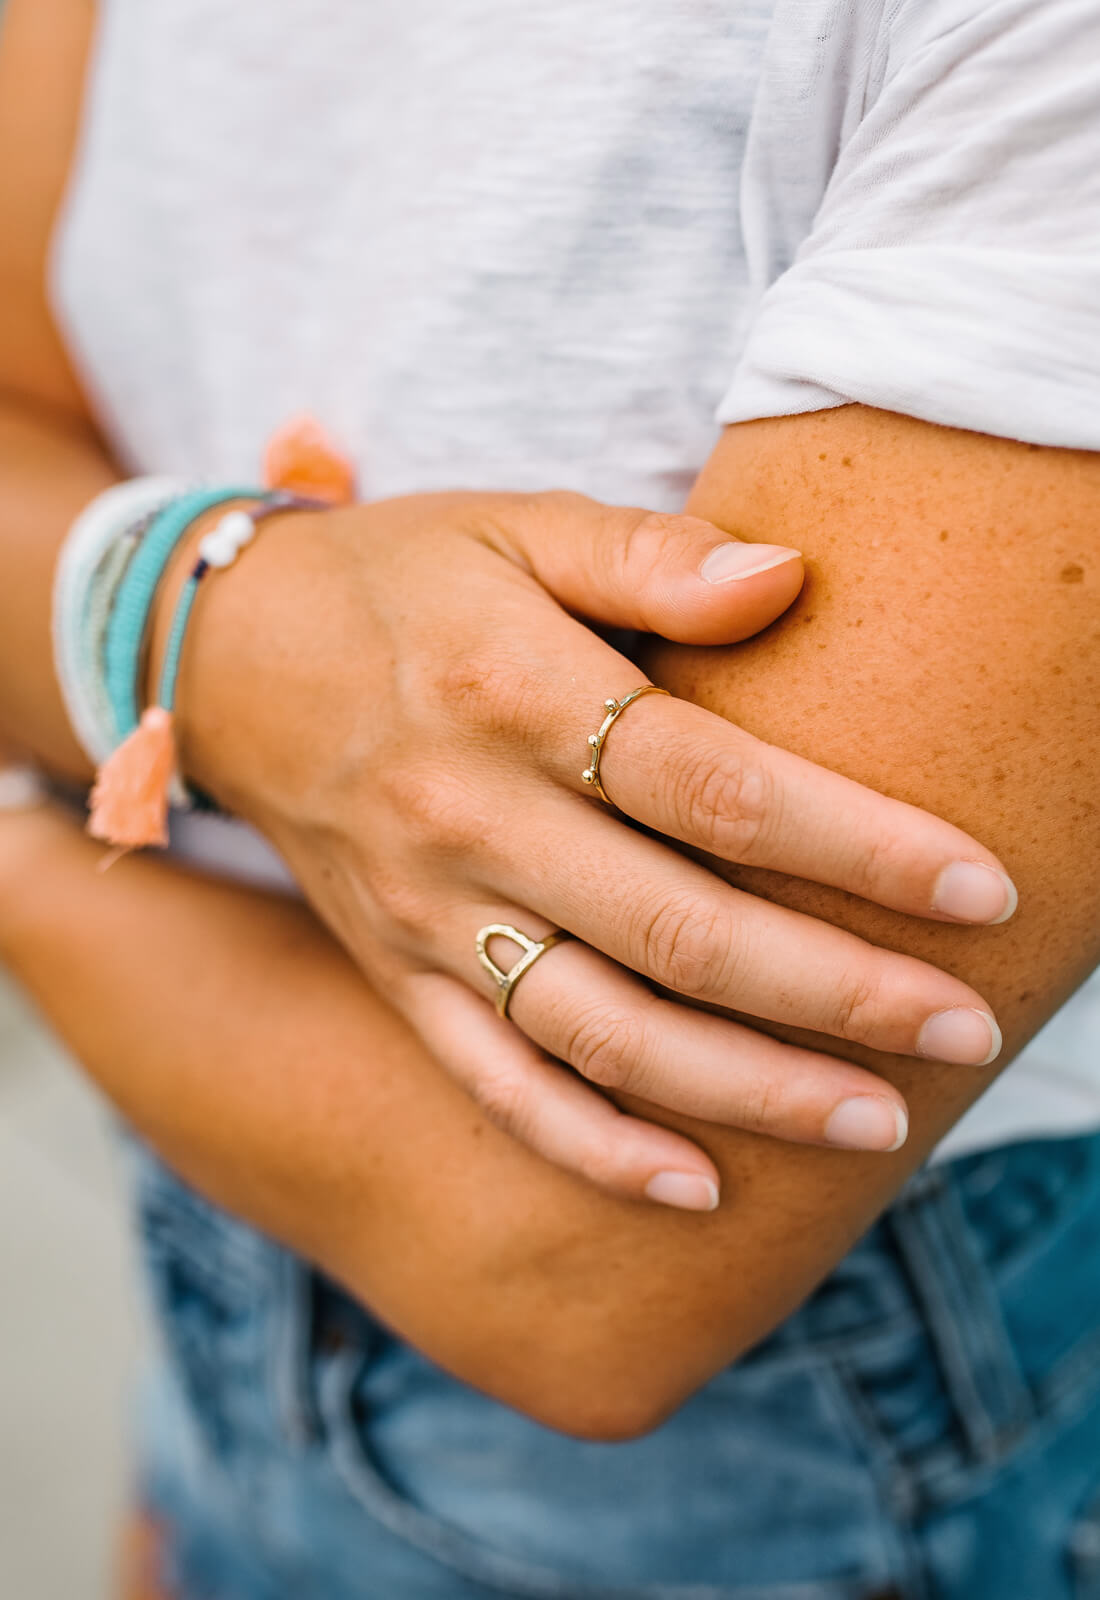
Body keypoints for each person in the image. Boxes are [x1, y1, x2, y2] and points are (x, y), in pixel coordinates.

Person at [0, 0, 1097, 1596]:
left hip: (800, 1425)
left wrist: (75, 743)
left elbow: (579, 1268)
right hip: (222, 1238)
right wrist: (219, 636)